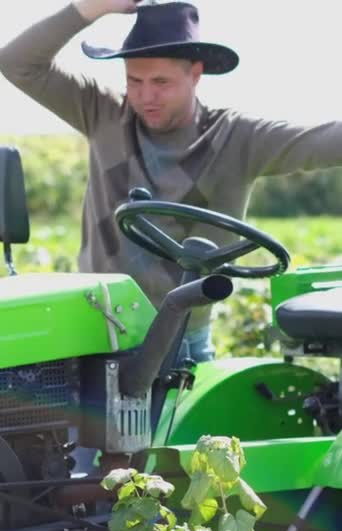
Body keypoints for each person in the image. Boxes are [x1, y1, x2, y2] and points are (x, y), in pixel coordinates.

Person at [1, 0, 342, 363]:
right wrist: (90, 9)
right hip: (100, 330)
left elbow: (326, 142)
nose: (146, 96)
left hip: (184, 340)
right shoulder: (102, 113)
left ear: (195, 74)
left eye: (161, 82)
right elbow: (16, 62)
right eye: (135, 81)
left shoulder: (238, 139)